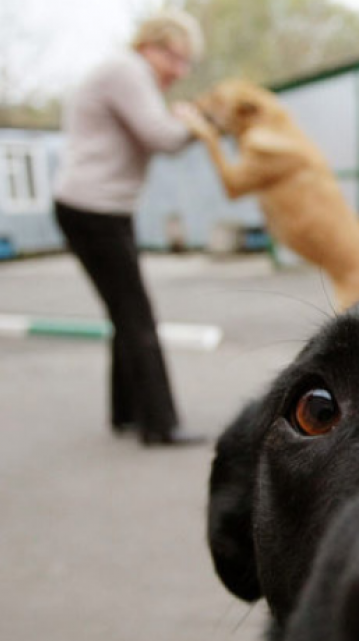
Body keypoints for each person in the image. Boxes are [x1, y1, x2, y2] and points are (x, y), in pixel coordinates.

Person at [52, 9, 207, 447]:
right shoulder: (127, 70)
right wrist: (199, 121)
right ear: (149, 45)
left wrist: (180, 116)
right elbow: (161, 136)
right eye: (174, 59)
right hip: (92, 208)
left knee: (125, 314)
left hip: (102, 210)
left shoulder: (131, 75)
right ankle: (160, 425)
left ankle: (126, 414)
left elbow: (154, 130)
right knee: (138, 316)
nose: (178, 71)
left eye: (185, 63)